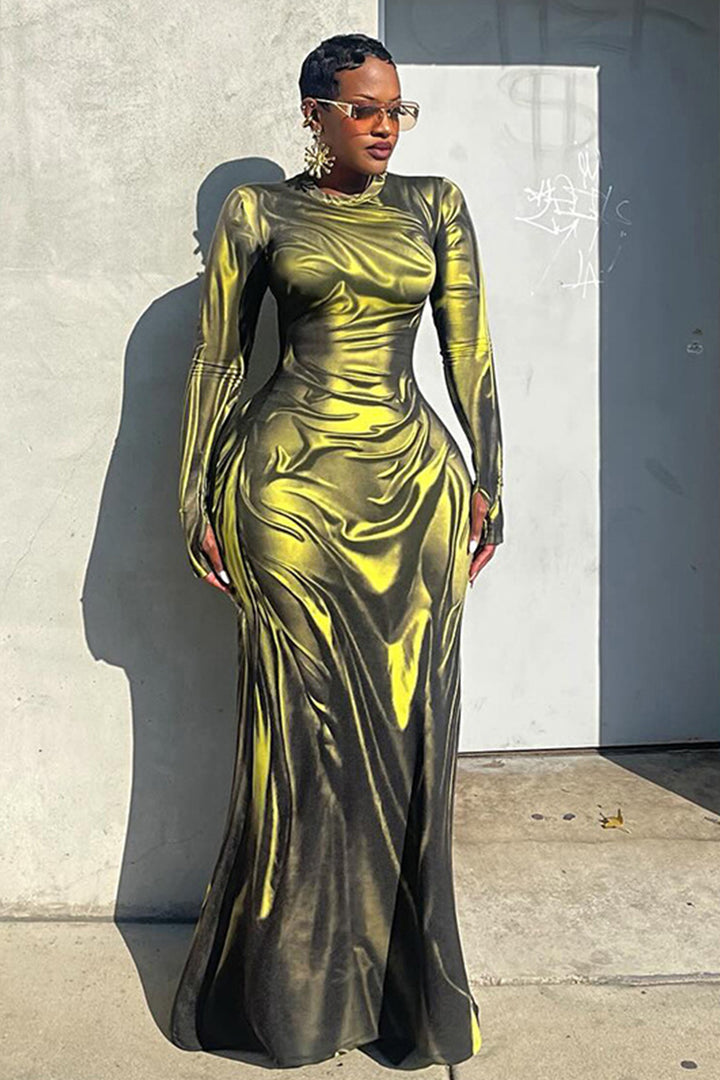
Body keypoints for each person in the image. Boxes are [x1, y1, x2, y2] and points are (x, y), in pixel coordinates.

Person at [169, 31, 504, 1071]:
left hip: (412, 493)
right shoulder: (258, 213)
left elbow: (468, 347)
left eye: (398, 109)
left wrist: (491, 480)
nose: (386, 127)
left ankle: (404, 998)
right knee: (298, 744)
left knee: (411, 738)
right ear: (314, 112)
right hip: (289, 495)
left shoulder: (435, 206)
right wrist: (196, 495)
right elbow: (217, 363)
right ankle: (289, 998)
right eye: (364, 108)